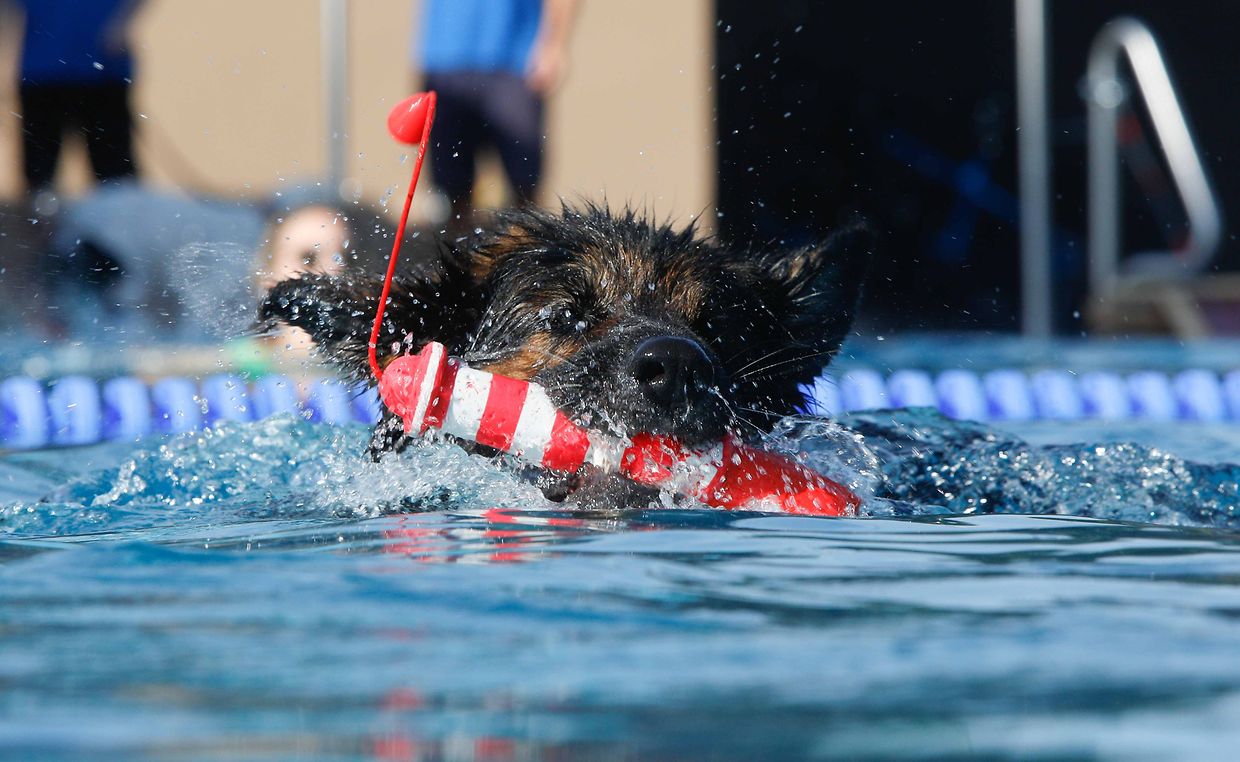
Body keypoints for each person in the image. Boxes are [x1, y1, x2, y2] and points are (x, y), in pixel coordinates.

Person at [416, 0, 577, 231]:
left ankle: (526, 261)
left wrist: (554, 45)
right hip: (442, 61)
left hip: (514, 62)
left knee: (525, 194)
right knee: (450, 196)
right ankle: (461, 260)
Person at [15, 0, 143, 197]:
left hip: (103, 70)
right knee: (40, 176)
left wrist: (121, 24)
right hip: (42, 71)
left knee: (115, 174)